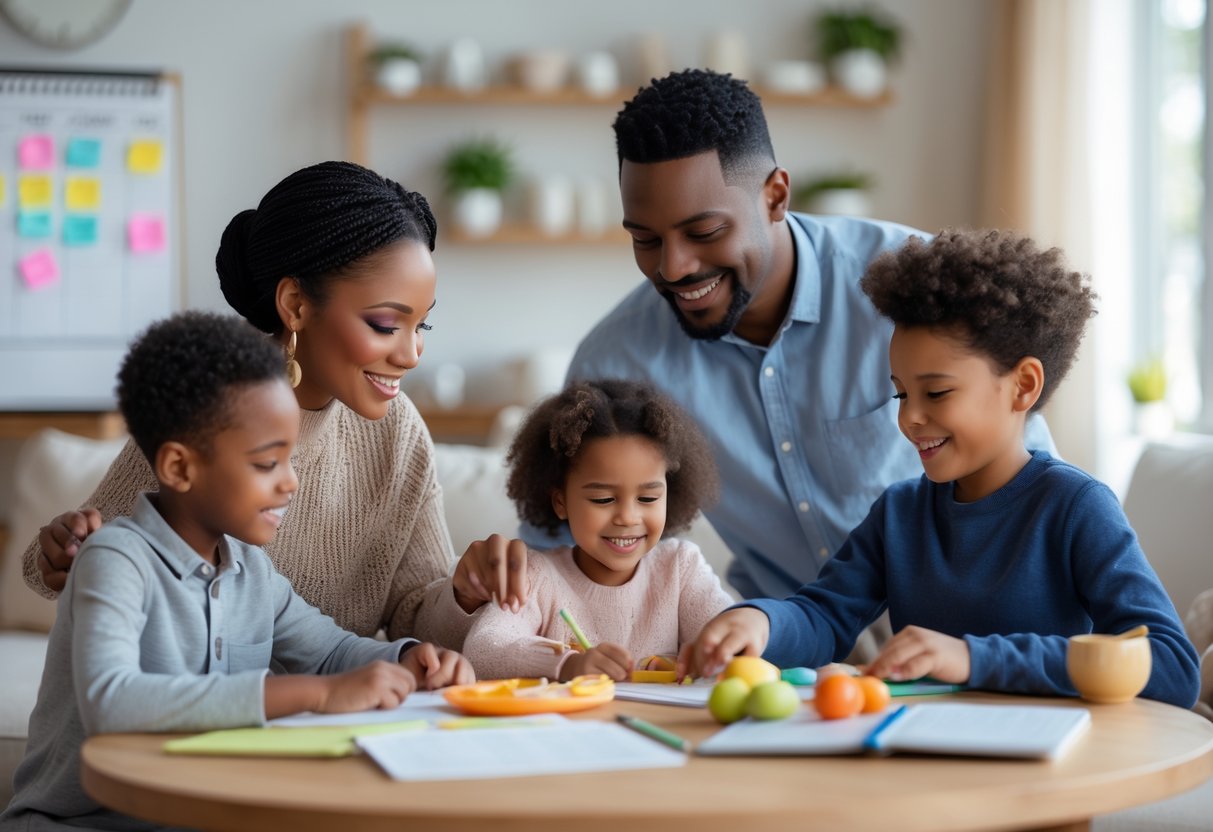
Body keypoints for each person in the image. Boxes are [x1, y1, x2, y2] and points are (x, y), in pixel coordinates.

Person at [492, 69, 1055, 609]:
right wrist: (494, 585)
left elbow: (1032, 482)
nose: (673, 266)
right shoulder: (617, 359)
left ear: (776, 196)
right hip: (781, 650)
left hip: (970, 636)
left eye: (704, 232)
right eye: (645, 239)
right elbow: (560, 554)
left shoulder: (918, 291)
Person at [679, 229, 1200, 709]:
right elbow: (824, 614)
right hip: (922, 757)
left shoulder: (1075, 507)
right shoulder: (900, 513)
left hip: (1043, 763)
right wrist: (761, 622)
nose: (909, 417)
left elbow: (1173, 666)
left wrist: (972, 658)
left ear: (1023, 386)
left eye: (937, 392)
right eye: (901, 393)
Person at [0, 312, 473, 832]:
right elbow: (114, 702)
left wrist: (409, 660)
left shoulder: (251, 571)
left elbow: (332, 652)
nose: (290, 483)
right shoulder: (113, 560)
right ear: (180, 467)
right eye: (267, 464)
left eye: (290, 460)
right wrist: (314, 695)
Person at [23, 160, 501, 648]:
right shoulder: (212, 407)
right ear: (295, 304)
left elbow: (415, 614)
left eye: (422, 326)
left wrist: (465, 594)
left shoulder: (398, 432)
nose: (412, 354)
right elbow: (74, 559)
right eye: (385, 324)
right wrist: (63, 554)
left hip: (332, 711)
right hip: (193, 710)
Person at [461, 379, 734, 682]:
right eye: (604, 499)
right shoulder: (536, 577)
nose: (628, 517)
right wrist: (567, 664)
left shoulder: (681, 568)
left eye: (648, 498)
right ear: (561, 502)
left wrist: (709, 656)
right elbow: (483, 649)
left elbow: (730, 641)